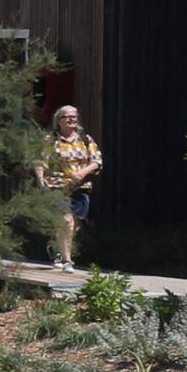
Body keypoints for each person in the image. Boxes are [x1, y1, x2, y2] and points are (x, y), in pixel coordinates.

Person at [39, 102, 104, 268]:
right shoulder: (51, 140)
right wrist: (41, 179)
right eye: (67, 117)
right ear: (58, 120)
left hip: (81, 186)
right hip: (57, 185)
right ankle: (68, 261)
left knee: (74, 225)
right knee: (66, 220)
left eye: (74, 117)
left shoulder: (85, 139)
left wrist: (82, 173)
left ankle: (59, 251)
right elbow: (41, 161)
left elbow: (97, 161)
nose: (71, 120)